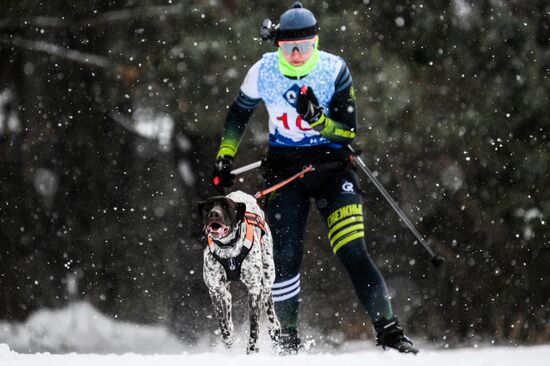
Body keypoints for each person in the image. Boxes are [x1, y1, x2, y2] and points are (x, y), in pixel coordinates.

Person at [212, 2, 418, 354]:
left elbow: (347, 132)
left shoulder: (333, 69)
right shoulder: (262, 71)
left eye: (304, 46)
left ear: (316, 43)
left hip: (332, 169)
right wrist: (225, 154)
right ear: (276, 44)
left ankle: (389, 333)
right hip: (284, 170)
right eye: (288, 47)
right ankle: (288, 340)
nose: (296, 54)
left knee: (352, 250)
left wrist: (319, 122)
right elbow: (238, 114)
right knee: (286, 257)